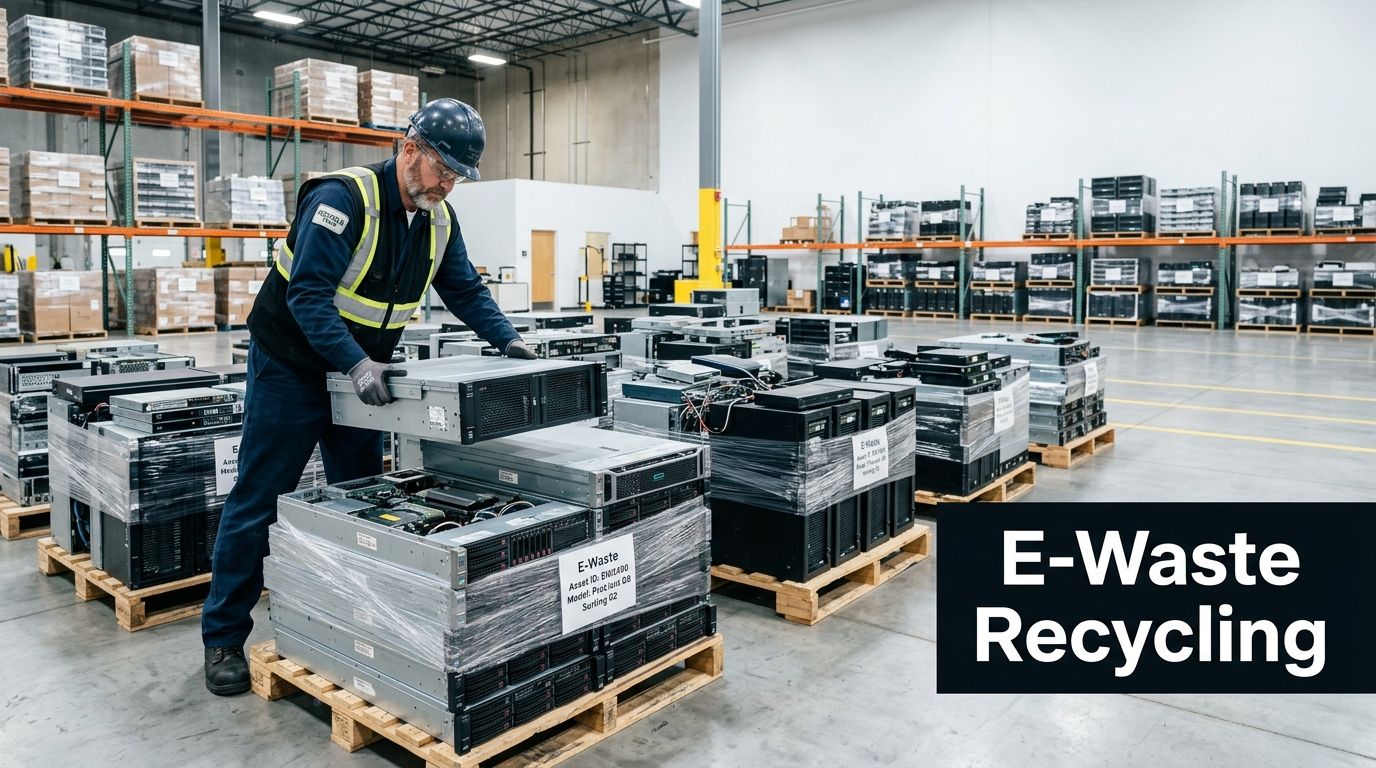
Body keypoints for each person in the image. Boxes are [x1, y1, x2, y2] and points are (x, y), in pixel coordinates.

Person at [200, 98, 537, 695]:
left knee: (361, 501)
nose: (448, 185)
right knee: (261, 492)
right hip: (293, 366)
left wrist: (509, 340)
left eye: (458, 176)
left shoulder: (437, 220)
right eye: (444, 170)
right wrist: (355, 364)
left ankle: (350, 619)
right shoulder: (342, 200)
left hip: (363, 376)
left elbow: (463, 287)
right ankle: (224, 635)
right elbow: (307, 297)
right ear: (410, 150)